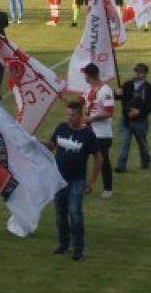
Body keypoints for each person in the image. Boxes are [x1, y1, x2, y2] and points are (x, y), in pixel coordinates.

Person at [48, 100, 97, 261]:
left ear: (81, 116)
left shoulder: (88, 135)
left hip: (77, 180)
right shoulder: (61, 128)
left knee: (75, 212)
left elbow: (99, 158)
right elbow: (51, 146)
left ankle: (78, 248)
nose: (70, 118)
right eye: (68, 114)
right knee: (60, 214)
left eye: (74, 115)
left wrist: (91, 181)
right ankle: (64, 244)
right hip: (59, 179)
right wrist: (33, 142)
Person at [79, 62, 114, 199]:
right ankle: (83, 185)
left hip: (102, 134)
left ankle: (107, 188)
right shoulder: (88, 89)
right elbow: (79, 102)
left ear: (89, 75)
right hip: (87, 132)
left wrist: (90, 119)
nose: (84, 77)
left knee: (102, 160)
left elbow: (109, 113)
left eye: (85, 74)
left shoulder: (105, 90)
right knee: (81, 158)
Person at [114, 63, 151, 173]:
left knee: (142, 144)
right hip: (126, 120)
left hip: (141, 121)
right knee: (124, 143)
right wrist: (117, 93)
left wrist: (139, 111)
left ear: (145, 74)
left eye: (140, 71)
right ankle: (121, 166)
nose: (137, 73)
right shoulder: (126, 85)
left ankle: (145, 162)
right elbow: (117, 96)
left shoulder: (150, 89)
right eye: (136, 71)